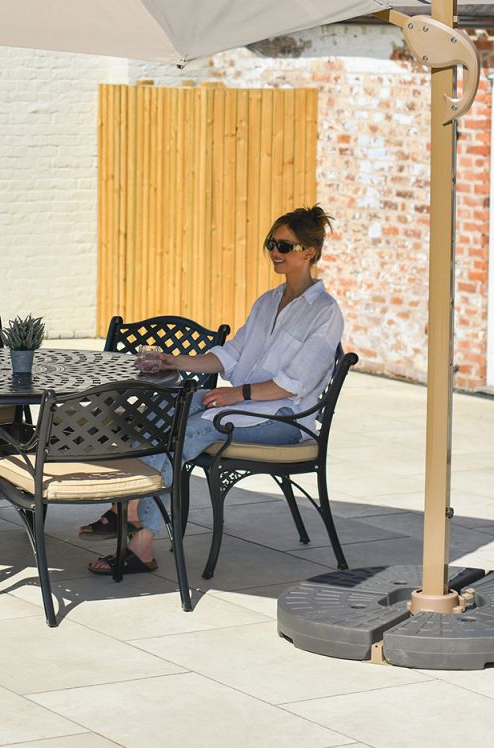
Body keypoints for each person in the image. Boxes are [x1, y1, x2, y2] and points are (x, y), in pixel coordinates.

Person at [88, 204, 344, 576]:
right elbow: (232, 353)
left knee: (192, 430)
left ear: (310, 252)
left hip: (288, 420)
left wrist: (235, 395)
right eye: (271, 243)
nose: (275, 251)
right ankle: (130, 508)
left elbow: (295, 383)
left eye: (284, 246)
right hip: (246, 407)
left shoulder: (325, 312)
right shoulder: (268, 302)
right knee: (164, 413)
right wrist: (175, 362)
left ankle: (137, 530)